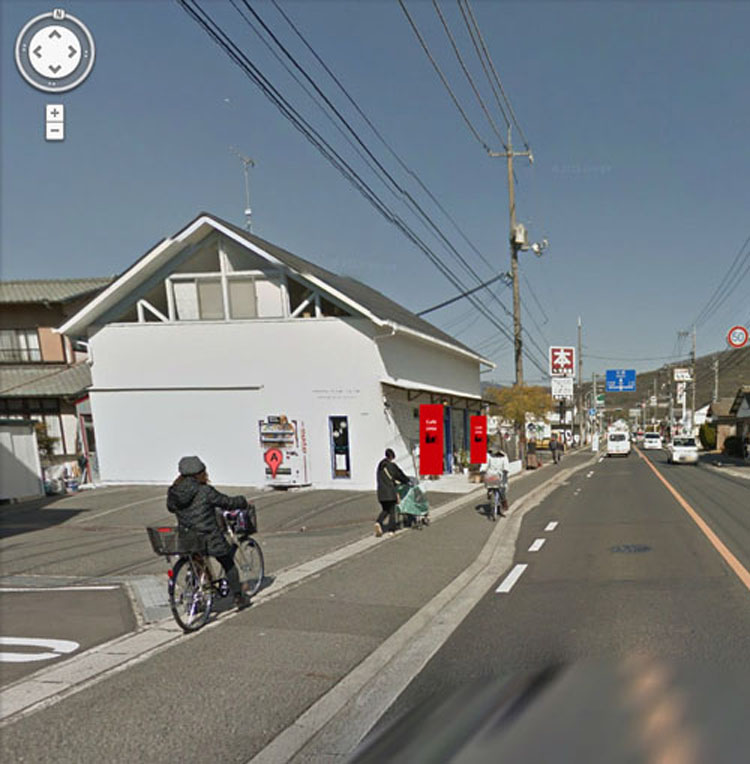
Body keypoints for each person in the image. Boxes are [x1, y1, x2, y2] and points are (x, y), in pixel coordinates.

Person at [167, 456, 251, 609]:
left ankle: (199, 597)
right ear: (200, 473)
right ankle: (239, 597)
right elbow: (226, 502)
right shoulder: (204, 490)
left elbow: (171, 508)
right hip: (209, 537)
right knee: (227, 562)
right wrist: (242, 501)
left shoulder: (174, 492)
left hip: (188, 537)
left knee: (196, 563)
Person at [375, 448, 411, 537]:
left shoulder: (380, 466)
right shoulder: (391, 466)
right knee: (392, 511)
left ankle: (378, 522)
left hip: (381, 493)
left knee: (385, 510)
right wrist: (407, 480)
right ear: (391, 456)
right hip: (390, 492)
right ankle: (391, 530)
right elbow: (399, 475)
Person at [480, 448, 510, 515]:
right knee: (490, 486)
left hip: (501, 475)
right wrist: (483, 469)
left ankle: (504, 504)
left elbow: (506, 465)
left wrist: (506, 470)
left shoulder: (504, 456)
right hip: (491, 474)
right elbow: (485, 463)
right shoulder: (488, 455)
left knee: (502, 491)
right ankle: (490, 493)